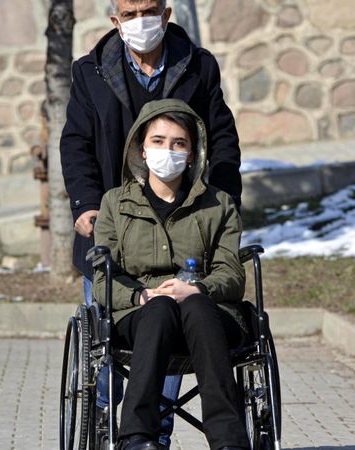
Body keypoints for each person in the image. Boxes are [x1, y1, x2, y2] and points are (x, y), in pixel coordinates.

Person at [60, 0, 242, 445]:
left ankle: (151, 436)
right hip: (116, 222)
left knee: (175, 324)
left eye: (150, 10)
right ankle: (105, 424)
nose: (141, 20)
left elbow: (221, 139)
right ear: (116, 21)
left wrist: (217, 206)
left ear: (166, 14)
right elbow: (76, 144)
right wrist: (87, 206)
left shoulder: (196, 66)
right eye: (131, 11)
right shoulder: (91, 72)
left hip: (186, 221)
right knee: (108, 350)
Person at [92, 99, 250, 450]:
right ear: (142, 150)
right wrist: (141, 296)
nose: (169, 150)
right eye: (159, 141)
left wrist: (199, 290)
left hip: (207, 314)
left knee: (194, 306)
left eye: (179, 143)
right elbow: (104, 278)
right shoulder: (114, 204)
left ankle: (229, 441)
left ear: (193, 154)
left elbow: (232, 273)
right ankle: (136, 436)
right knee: (160, 309)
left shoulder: (219, 205)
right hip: (140, 314)